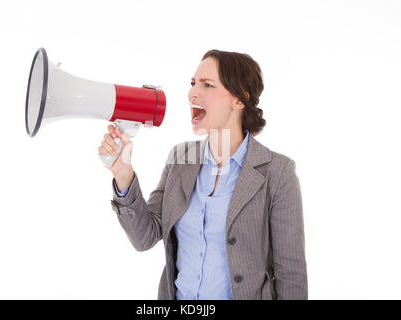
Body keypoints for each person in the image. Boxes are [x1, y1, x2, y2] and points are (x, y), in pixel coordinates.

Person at [98, 49, 308, 300]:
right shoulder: (180, 158)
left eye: (208, 85)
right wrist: (123, 173)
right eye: (193, 83)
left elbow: (291, 273)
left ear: (239, 99)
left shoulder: (278, 172)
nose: (192, 93)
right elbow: (145, 236)